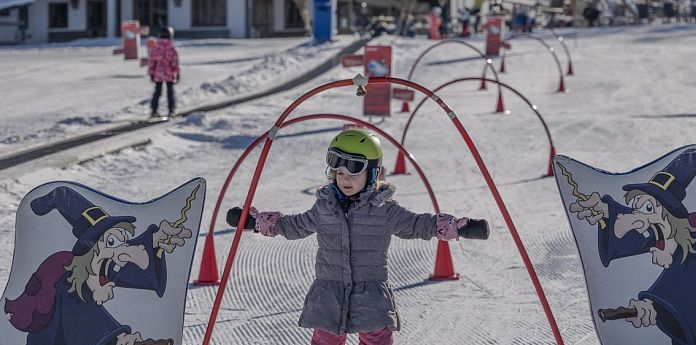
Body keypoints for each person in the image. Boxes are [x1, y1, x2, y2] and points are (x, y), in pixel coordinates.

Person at [225, 129, 490, 345]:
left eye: (354, 172)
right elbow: (295, 226)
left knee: (376, 340)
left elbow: (417, 224)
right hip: (329, 294)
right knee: (325, 341)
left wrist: (458, 227)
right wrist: (255, 223)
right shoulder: (323, 207)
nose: (345, 179)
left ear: (373, 173)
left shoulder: (385, 210)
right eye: (339, 173)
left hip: (370, 295)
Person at [148, 26, 180, 118]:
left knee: (157, 92)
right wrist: (177, 73)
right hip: (169, 73)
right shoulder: (172, 48)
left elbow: (152, 61)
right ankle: (171, 111)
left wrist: (151, 73)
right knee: (170, 92)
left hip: (158, 73)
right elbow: (175, 63)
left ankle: (154, 111)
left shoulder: (156, 48)